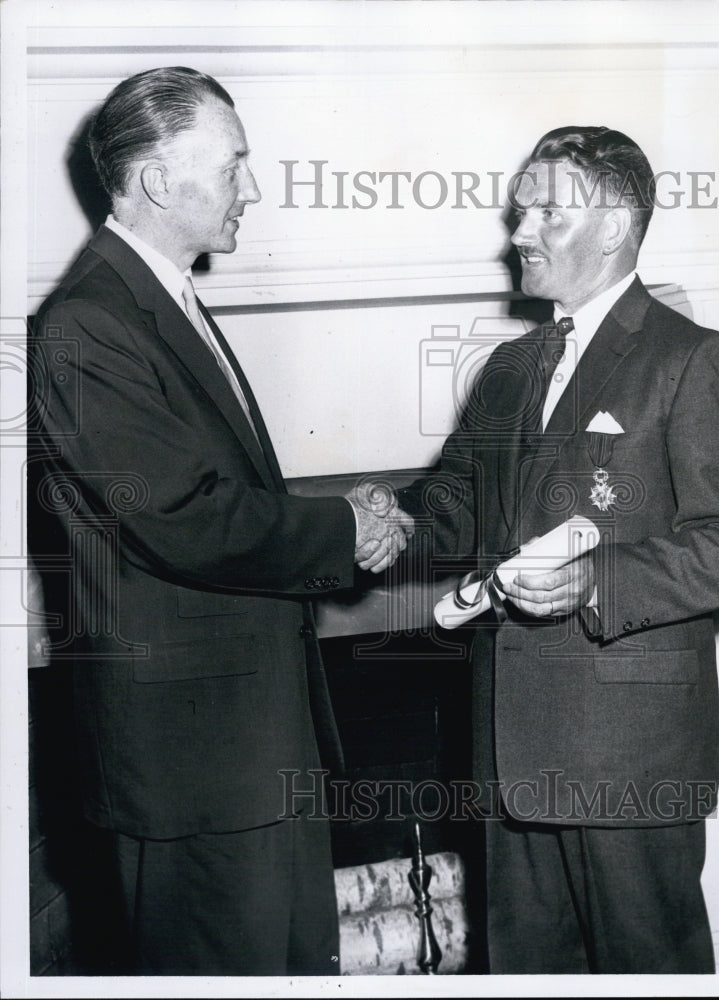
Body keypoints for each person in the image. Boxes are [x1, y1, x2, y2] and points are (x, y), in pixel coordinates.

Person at [29, 66, 411, 976]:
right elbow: (178, 514)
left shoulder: (160, 300)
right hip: (191, 769)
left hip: (248, 750)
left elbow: (218, 492)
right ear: (159, 180)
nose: (253, 187)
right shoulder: (88, 322)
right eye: (234, 164)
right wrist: (341, 530)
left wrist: (344, 517)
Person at [395, 126, 719, 973]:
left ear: (613, 225)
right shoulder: (505, 368)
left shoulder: (694, 363)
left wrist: (592, 583)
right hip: (508, 746)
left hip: (627, 755)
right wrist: (371, 518)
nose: (519, 233)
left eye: (545, 213)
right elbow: (454, 504)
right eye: (519, 211)